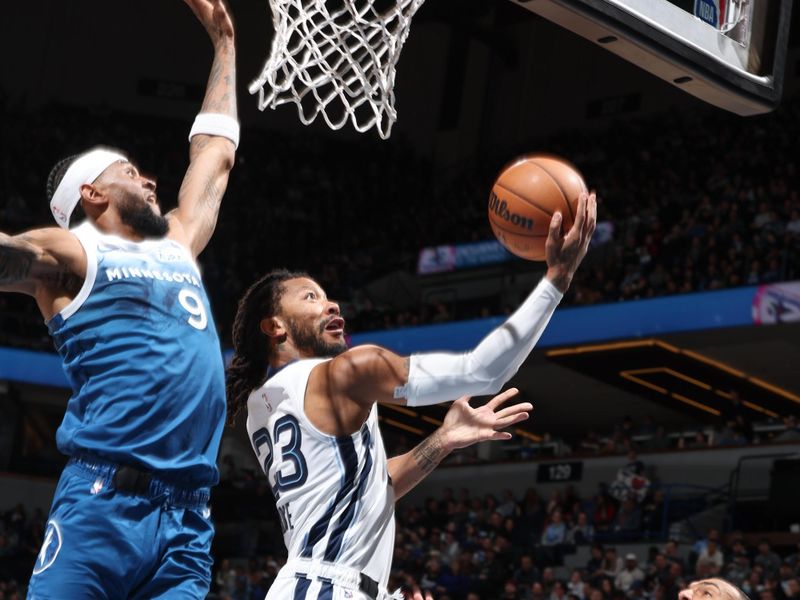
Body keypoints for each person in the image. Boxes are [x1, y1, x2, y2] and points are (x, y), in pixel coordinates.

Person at [224, 193, 596, 599]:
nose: (330, 302)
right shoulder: (349, 370)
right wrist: (557, 279)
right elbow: (483, 371)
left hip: (314, 584)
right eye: (310, 297)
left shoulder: (262, 406)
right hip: (328, 587)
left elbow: (371, 487)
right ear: (275, 326)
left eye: (327, 294)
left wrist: (444, 439)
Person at [0, 0, 238, 596]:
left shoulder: (179, 241)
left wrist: (225, 45)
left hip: (187, 519)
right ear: (91, 192)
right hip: (103, 505)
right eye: (131, 172)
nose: (150, 179)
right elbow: (13, 255)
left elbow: (215, 157)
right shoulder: (74, 251)